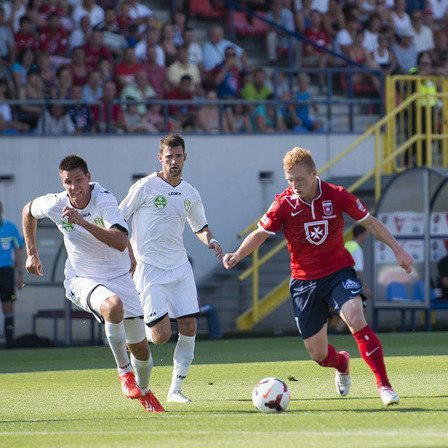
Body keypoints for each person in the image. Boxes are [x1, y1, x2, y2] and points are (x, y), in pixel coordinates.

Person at [222, 147, 414, 406]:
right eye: (289, 179)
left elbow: (370, 222)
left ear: (314, 173)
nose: (294, 185)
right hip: (304, 282)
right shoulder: (283, 203)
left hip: (338, 272)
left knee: (356, 317)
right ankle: (342, 362)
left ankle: (384, 386)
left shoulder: (336, 195)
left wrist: (398, 249)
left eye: (299, 179)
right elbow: (260, 233)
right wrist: (238, 255)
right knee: (318, 354)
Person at [22, 155, 164, 412]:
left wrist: (82, 222)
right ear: (62, 182)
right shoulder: (55, 203)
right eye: (68, 182)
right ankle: (124, 372)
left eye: (79, 180)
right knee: (113, 306)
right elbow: (28, 210)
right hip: (81, 278)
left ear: (88, 177)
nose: (74, 187)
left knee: (142, 350)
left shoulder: (104, 199)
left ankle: (144, 391)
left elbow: (121, 242)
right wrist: (32, 253)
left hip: (120, 277)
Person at [119, 134, 223, 404]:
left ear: (185, 157)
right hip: (149, 268)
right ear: (160, 158)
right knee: (160, 336)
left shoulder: (190, 192)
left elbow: (200, 226)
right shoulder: (145, 186)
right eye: (169, 157)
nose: (174, 161)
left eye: (178, 156)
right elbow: (119, 216)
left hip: (179, 267)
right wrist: (124, 250)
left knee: (189, 325)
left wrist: (210, 240)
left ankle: (175, 390)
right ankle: (133, 333)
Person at [0, 201, 24, 348]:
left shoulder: (10, 228)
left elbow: (19, 250)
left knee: (8, 305)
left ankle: (9, 342)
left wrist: (20, 274)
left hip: (6, 271)